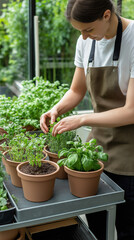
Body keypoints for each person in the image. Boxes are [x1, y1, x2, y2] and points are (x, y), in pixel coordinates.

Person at [40, 0, 134, 239]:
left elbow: (131, 111)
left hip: (130, 155)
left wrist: (81, 121)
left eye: (88, 29)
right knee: (97, 229)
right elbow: (76, 91)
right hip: (98, 150)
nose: (82, 37)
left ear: (106, 15)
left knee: (127, 229)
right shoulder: (86, 42)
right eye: (79, 31)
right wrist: (56, 109)